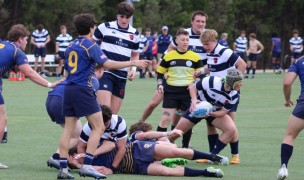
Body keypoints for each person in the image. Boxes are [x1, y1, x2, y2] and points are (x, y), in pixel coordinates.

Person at [58, 13, 148, 179]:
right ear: (92, 28)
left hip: (68, 89)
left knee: (68, 130)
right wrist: (132, 63)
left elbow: (66, 71)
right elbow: (108, 64)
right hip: (83, 89)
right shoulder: (91, 45)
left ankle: (63, 169)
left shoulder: (71, 45)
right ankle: (87, 166)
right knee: (99, 127)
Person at [141, 11, 208, 148]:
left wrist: (200, 82)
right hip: (171, 82)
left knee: (185, 119)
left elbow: (207, 62)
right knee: (155, 105)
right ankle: (140, 126)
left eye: (203, 21)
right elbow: (165, 60)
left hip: (189, 86)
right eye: (198, 21)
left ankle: (183, 145)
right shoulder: (182, 34)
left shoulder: (207, 37)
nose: (200, 24)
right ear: (192, 21)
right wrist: (163, 75)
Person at [0, 24, 60, 169]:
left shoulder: (2, 43)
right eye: (26, 40)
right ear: (20, 39)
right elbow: (29, 73)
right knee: (2, 118)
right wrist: (50, 85)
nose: (27, 43)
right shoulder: (17, 51)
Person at [193, 29, 246, 164]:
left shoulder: (225, 52)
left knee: (230, 125)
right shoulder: (210, 52)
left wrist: (236, 82)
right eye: (203, 44)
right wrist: (200, 71)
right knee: (210, 124)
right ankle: (211, 155)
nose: (205, 47)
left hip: (228, 94)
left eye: (207, 44)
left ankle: (236, 155)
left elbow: (242, 64)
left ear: (215, 41)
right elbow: (211, 67)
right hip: (214, 93)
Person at [169, 69, 243, 164]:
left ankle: (211, 156)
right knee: (174, 134)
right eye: (239, 82)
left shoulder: (235, 95)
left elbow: (223, 113)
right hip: (197, 108)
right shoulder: (211, 81)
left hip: (213, 111)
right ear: (231, 82)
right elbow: (192, 87)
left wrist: (209, 113)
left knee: (231, 129)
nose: (241, 84)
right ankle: (158, 151)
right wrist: (194, 100)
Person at [46, 65, 104, 170]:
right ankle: (56, 157)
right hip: (61, 101)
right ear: (100, 70)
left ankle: (60, 158)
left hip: (51, 99)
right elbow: (88, 98)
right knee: (77, 137)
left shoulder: (75, 74)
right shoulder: (93, 80)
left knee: (71, 133)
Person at [156, 28, 203, 149]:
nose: (185, 42)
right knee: (165, 119)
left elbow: (200, 74)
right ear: (176, 41)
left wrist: (195, 83)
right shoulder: (168, 56)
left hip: (187, 93)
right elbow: (160, 73)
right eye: (182, 39)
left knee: (186, 122)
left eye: (187, 40)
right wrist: (160, 84)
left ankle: (185, 147)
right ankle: (158, 146)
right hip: (171, 92)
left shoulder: (195, 57)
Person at [93, 2, 141, 114]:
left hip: (122, 76)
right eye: (121, 16)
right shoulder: (105, 27)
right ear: (117, 15)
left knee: (113, 117)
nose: (124, 20)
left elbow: (135, 54)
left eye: (127, 17)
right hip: (105, 73)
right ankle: (95, 131)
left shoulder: (135, 34)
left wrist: (133, 69)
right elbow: (90, 43)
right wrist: (95, 62)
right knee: (105, 112)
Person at [77, 105, 128, 173]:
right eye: (100, 124)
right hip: (96, 148)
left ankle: (89, 155)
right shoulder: (89, 126)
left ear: (110, 118)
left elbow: (122, 148)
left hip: (112, 147)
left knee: (111, 144)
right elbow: (81, 147)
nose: (103, 127)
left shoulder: (119, 123)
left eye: (106, 124)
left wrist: (111, 169)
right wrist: (84, 164)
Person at [277, 56, 304, 180]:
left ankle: (283, 168)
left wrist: (287, 100)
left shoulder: (298, 61)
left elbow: (287, 83)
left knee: (290, 135)